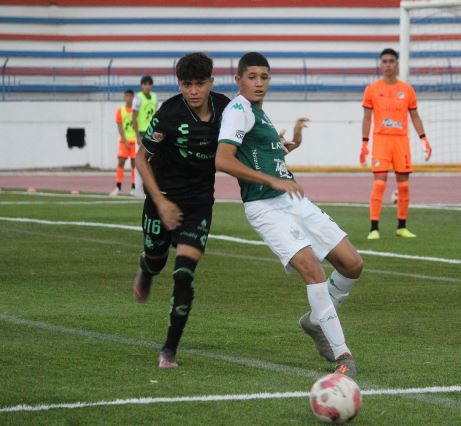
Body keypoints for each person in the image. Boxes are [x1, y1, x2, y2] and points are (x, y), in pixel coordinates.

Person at [216, 52, 363, 377]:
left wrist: (290, 144)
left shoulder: (259, 114)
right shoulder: (238, 109)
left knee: (352, 264)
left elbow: (264, 155)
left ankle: (315, 320)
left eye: (264, 77)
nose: (259, 83)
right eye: (252, 77)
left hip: (292, 199)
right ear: (238, 80)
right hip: (265, 205)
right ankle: (343, 354)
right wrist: (270, 179)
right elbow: (223, 159)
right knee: (312, 269)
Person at [132, 53, 230, 368]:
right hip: (162, 198)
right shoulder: (169, 114)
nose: (193, 91)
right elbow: (141, 159)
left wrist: (278, 146)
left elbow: (246, 141)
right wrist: (161, 203)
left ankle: (169, 351)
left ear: (211, 82)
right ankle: (147, 270)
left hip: (198, 203)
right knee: (156, 258)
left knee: (184, 273)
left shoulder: (227, 109)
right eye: (187, 84)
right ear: (179, 84)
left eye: (199, 84)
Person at [360, 48, 432, 240]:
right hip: (381, 141)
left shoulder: (407, 90)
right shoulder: (372, 89)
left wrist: (423, 138)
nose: (388, 65)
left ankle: (401, 227)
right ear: (380, 64)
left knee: (404, 186)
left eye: (391, 61)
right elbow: (367, 118)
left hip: (401, 141)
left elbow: (414, 115)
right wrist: (364, 143)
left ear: (397, 64)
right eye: (384, 61)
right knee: (379, 183)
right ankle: (374, 228)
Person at [132, 74, 158, 197]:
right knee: (140, 160)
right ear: (141, 85)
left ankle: (150, 188)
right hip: (142, 134)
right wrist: (137, 136)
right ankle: (137, 188)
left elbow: (157, 115)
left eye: (149, 84)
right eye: (145, 84)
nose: (147, 86)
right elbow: (134, 118)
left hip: (152, 134)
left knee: (153, 161)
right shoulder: (138, 98)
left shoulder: (154, 97)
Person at [109, 89, 137, 196]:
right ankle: (118, 187)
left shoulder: (136, 111)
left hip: (135, 141)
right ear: (124, 97)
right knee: (121, 162)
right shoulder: (120, 111)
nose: (128, 98)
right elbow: (120, 127)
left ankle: (134, 187)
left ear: (133, 97)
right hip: (124, 141)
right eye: (126, 96)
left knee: (134, 164)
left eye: (130, 96)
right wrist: (125, 141)